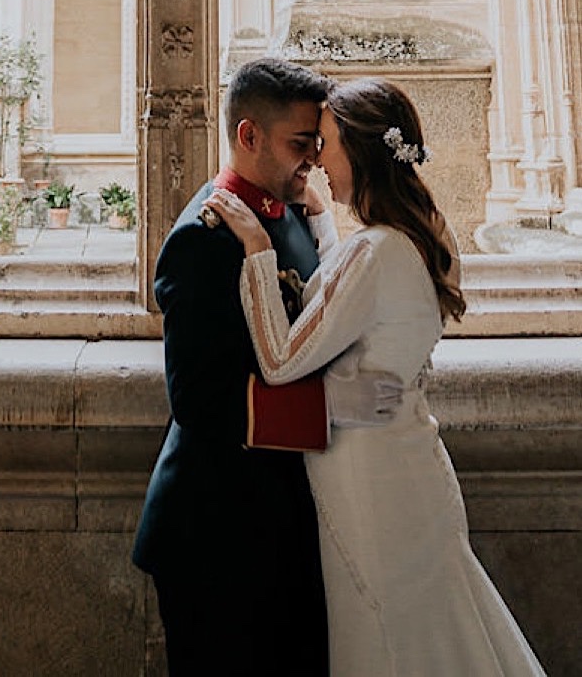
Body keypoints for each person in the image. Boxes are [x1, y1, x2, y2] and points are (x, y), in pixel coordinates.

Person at [206, 77, 548, 677]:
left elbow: (283, 360)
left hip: (371, 485)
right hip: (406, 462)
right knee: (432, 627)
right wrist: (322, 227)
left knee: (389, 638)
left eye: (326, 143)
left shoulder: (375, 254)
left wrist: (259, 251)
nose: (316, 160)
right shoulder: (422, 232)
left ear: (360, 153)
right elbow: (364, 306)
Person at [133, 56, 405, 677]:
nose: (312, 158)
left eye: (317, 143)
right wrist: (327, 408)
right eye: (299, 144)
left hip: (276, 527)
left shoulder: (289, 210)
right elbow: (201, 401)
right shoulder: (206, 237)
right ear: (248, 136)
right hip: (217, 534)